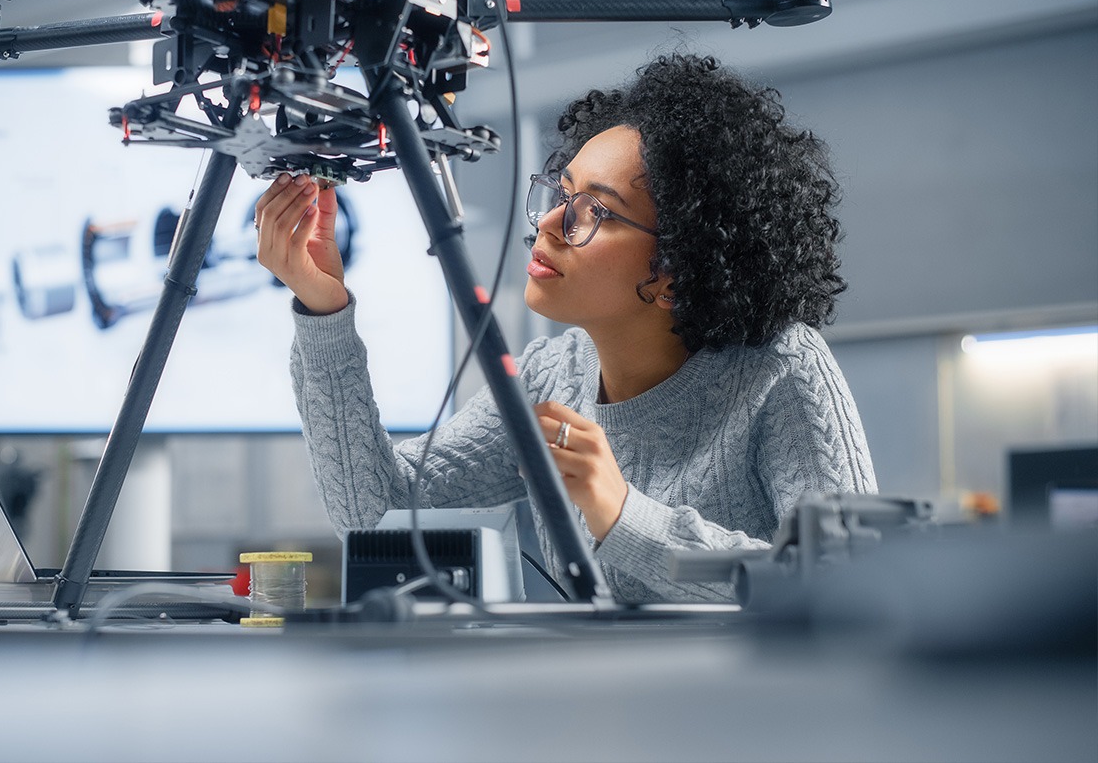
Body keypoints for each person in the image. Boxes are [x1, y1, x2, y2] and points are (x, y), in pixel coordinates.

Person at [254, 53, 877, 603]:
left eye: (594, 213)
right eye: (562, 193)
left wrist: (624, 517)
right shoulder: (553, 376)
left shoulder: (782, 368)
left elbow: (848, 583)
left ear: (676, 273)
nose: (548, 223)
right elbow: (375, 513)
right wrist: (323, 312)